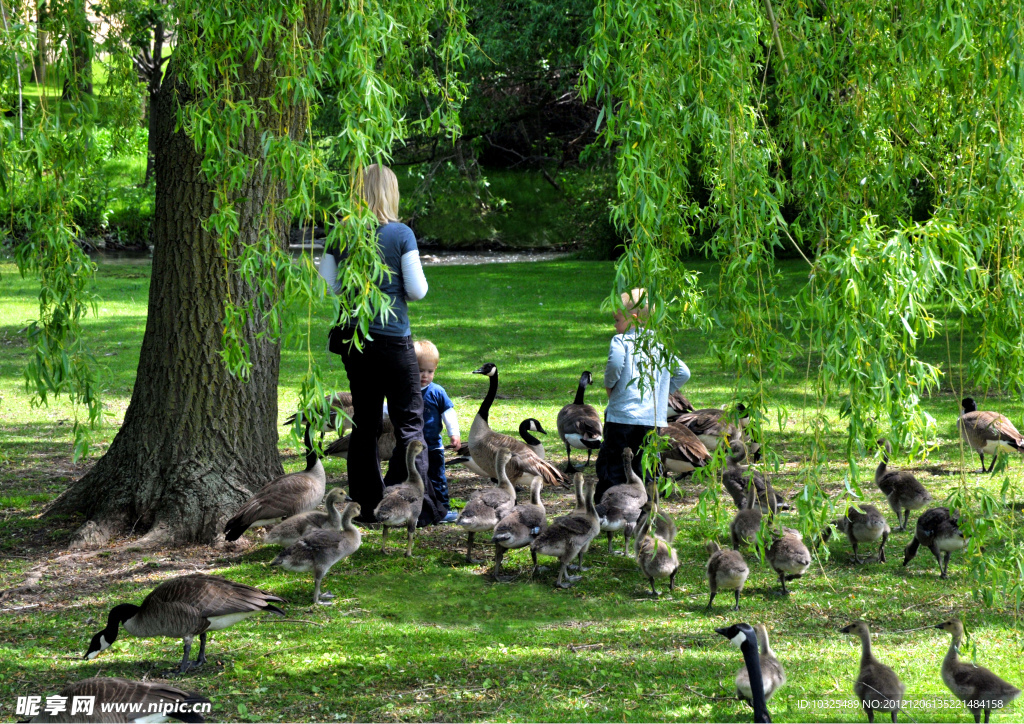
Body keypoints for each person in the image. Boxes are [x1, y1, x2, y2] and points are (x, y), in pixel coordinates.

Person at [318, 163, 440, 526]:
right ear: (391, 193)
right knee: (409, 422)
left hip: (356, 341)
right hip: (392, 340)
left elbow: (330, 285)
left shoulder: (340, 233)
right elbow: (417, 290)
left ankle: (368, 503)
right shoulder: (400, 233)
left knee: (365, 422)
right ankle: (415, 504)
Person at [594, 288, 690, 502]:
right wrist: (663, 393)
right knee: (645, 465)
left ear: (634, 319)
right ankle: (643, 506)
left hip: (621, 417)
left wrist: (610, 384)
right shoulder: (660, 346)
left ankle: (609, 507)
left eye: (617, 320)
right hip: (651, 420)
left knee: (614, 463)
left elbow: (615, 364)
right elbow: (683, 372)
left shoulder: (621, 341)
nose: (615, 326)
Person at [412, 339, 460, 523]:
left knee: (437, 479)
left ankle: (442, 510)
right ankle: (416, 509)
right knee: (415, 478)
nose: (425, 375)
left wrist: (453, 434)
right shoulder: (408, 390)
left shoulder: (437, 392)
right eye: (420, 370)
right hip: (412, 448)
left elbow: (449, 413)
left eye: (430, 371)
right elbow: (390, 409)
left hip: (433, 447)